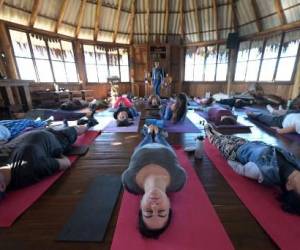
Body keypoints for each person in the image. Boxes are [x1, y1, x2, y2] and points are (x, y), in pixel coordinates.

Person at [205, 123, 300, 215]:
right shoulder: (295, 164)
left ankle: (209, 132)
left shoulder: (264, 173)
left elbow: (239, 168)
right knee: (224, 136)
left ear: (289, 186)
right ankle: (216, 133)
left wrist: (228, 155)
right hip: (249, 143)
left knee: (215, 139)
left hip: (234, 150)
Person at [122, 125, 187, 238]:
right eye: (162, 212)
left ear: (141, 205)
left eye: (148, 212)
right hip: (165, 148)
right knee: (161, 137)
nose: (155, 206)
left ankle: (148, 132)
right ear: (169, 205)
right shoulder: (179, 180)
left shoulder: (129, 182)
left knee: (147, 136)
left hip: (143, 148)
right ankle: (157, 133)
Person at [0, 125, 88, 199]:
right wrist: (58, 152)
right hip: (56, 138)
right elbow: (66, 163)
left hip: (27, 133)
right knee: (76, 129)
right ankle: (87, 125)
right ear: (2, 186)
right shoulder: (29, 170)